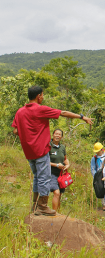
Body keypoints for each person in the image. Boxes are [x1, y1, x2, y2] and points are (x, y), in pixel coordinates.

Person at [12, 85, 93, 216]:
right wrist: (82, 117)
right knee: (44, 177)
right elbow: (63, 113)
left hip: (29, 152)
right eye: (42, 95)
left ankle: (34, 206)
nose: (43, 97)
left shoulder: (20, 112)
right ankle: (43, 206)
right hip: (41, 151)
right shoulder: (40, 109)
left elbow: (16, 131)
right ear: (39, 96)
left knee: (37, 177)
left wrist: (29, 135)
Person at [49, 129, 69, 213]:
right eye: (56, 134)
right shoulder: (48, 146)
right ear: (53, 135)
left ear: (61, 137)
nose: (57, 136)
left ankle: (58, 213)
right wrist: (56, 165)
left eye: (59, 134)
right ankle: (54, 213)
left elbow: (65, 159)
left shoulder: (62, 147)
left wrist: (67, 165)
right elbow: (45, 161)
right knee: (56, 193)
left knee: (60, 194)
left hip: (61, 175)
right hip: (51, 173)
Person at [90, 142, 105, 211]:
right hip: (99, 176)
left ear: (101, 150)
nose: (97, 152)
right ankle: (104, 205)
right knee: (101, 189)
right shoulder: (94, 159)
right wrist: (95, 177)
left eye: (98, 151)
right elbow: (92, 168)